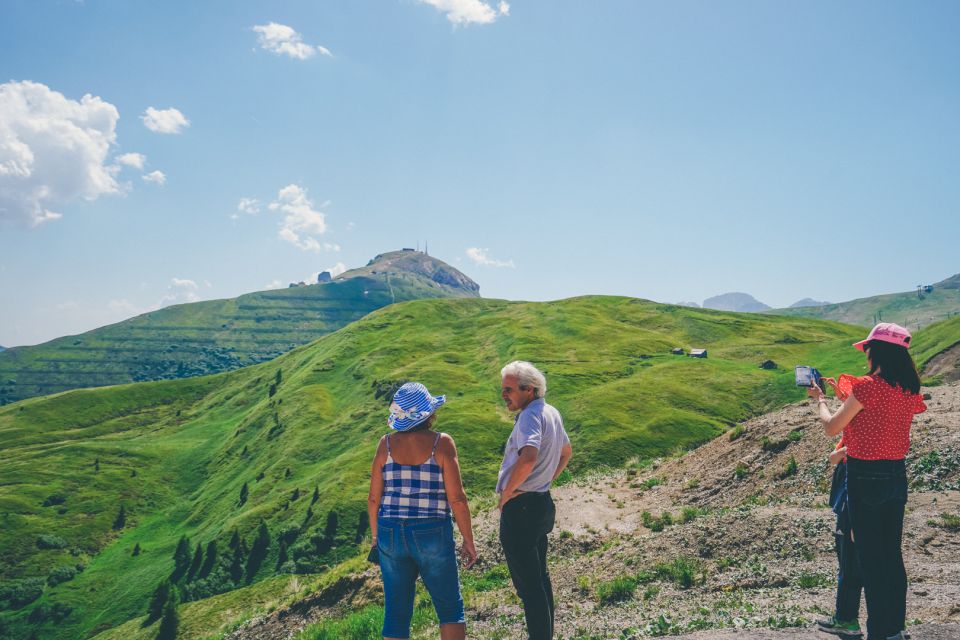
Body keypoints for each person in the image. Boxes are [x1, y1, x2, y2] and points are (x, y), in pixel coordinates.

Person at [807, 323, 926, 640]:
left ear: (877, 351)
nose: (866, 355)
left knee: (870, 557)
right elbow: (879, 420)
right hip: (895, 475)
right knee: (890, 554)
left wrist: (820, 401)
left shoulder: (867, 386)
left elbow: (832, 427)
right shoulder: (907, 390)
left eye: (868, 349)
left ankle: (880, 632)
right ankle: (895, 628)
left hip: (864, 476)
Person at [368, 382, 478, 640]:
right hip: (431, 529)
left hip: (390, 530)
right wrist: (468, 540)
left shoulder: (385, 445)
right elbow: (458, 499)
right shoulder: (441, 444)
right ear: (429, 414)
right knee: (450, 608)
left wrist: (376, 538)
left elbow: (374, 498)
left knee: (396, 613)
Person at [497, 361, 573, 640]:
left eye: (509, 389)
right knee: (540, 579)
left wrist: (508, 492)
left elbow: (528, 457)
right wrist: (545, 480)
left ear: (529, 389)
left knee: (529, 587)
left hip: (521, 508)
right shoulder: (550, 411)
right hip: (541, 503)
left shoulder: (529, 416)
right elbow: (566, 452)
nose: (504, 394)